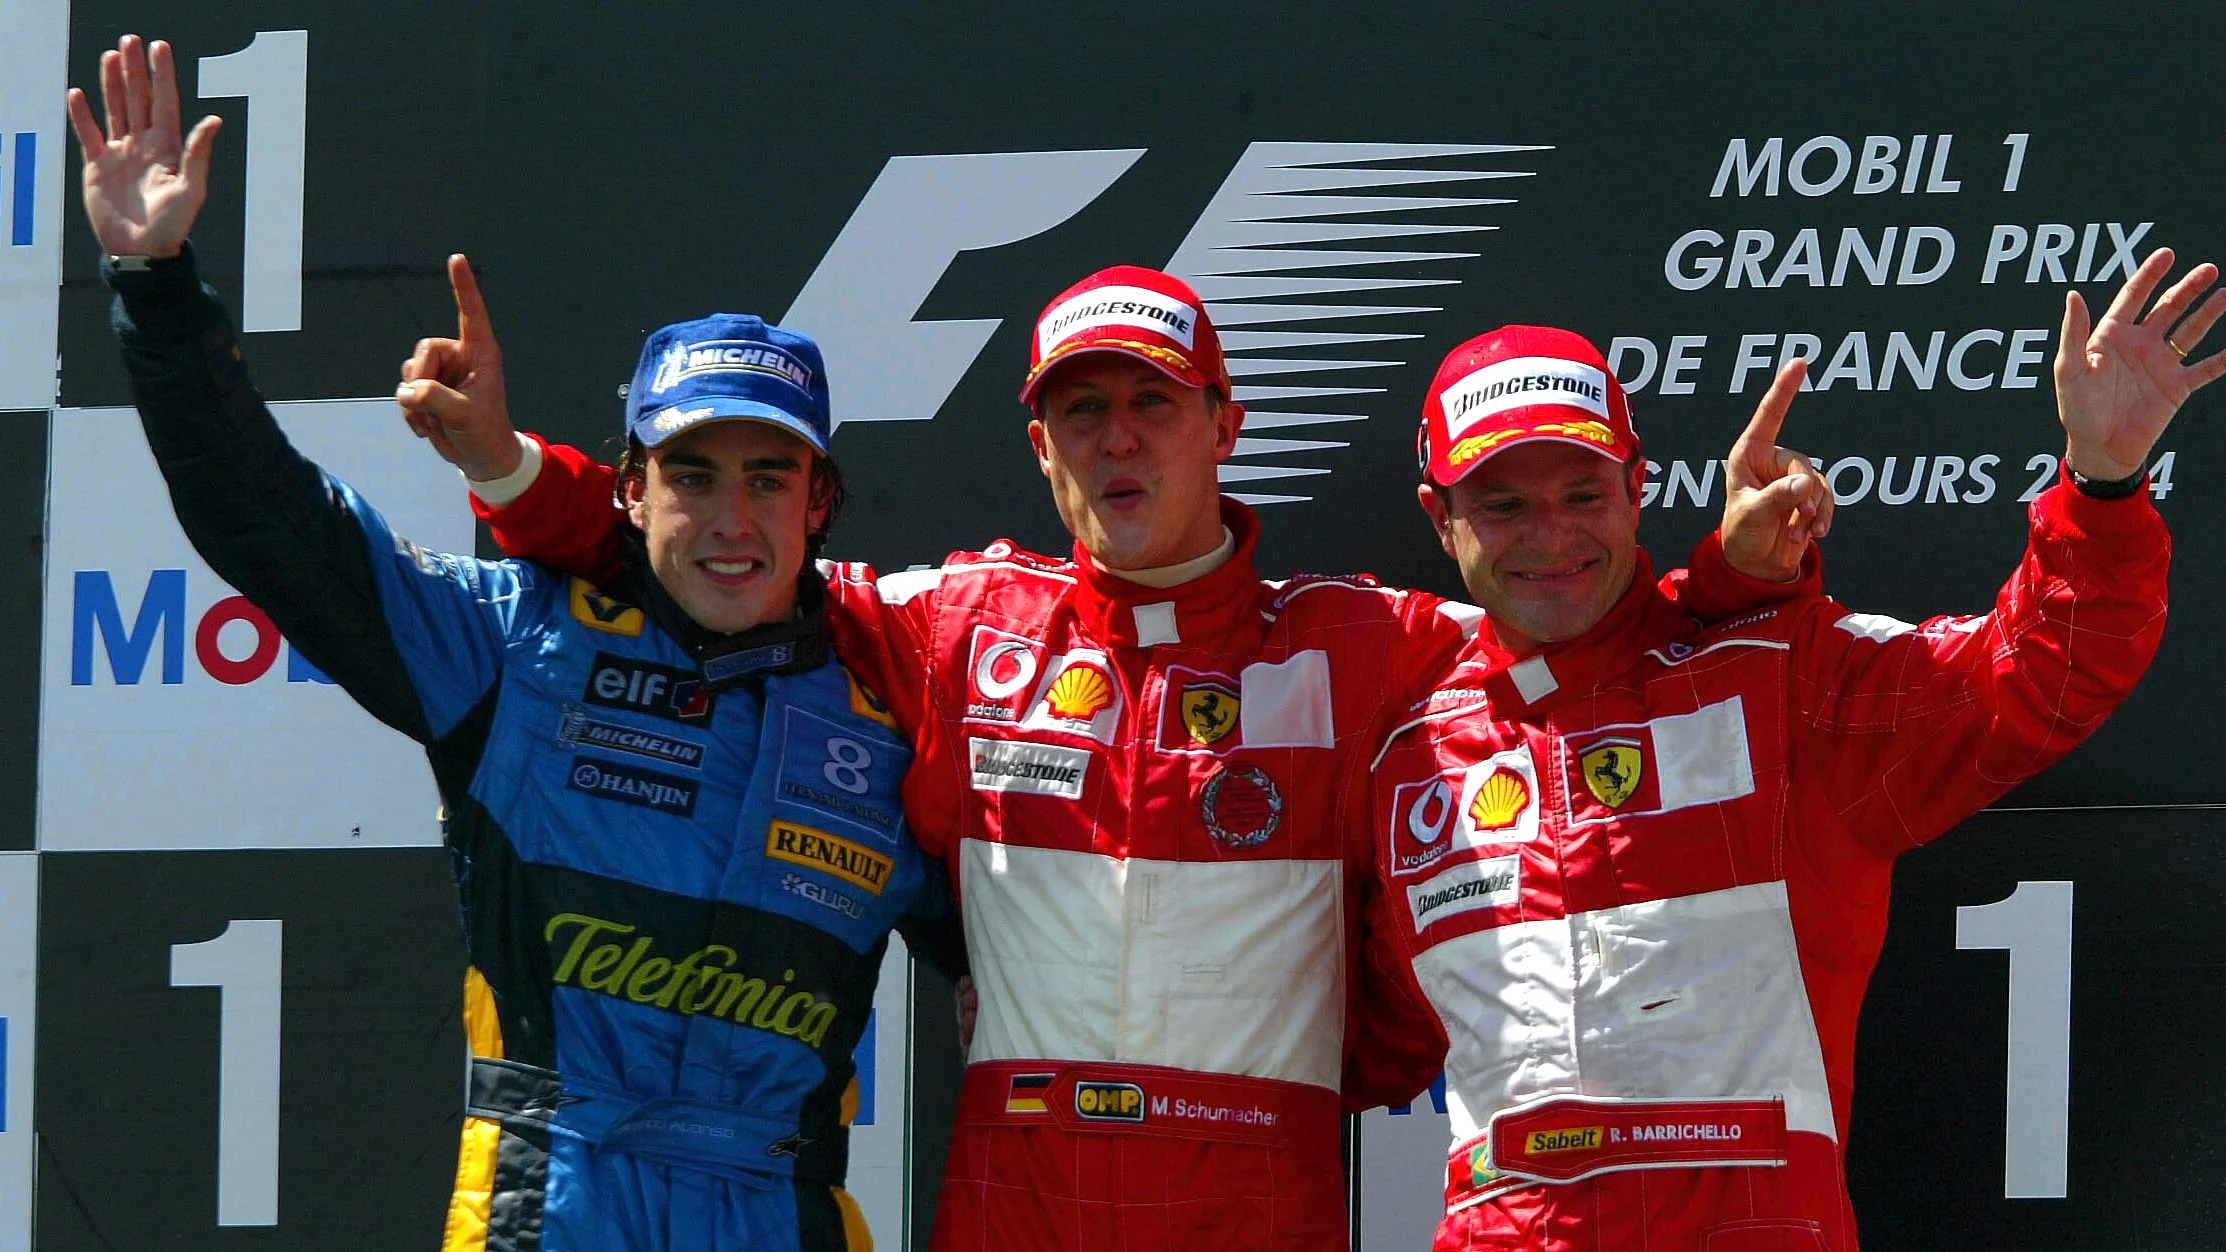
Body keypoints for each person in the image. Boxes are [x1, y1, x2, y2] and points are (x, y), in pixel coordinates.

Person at [404, 262, 1826, 1247]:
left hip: (1253, 1209)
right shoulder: (955, 621)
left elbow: (1581, 618)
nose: (1121, 437)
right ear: (1039, 445)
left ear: (1225, 423)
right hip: (1018, 1210)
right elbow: (726, 557)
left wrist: (1733, 578)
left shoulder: (1370, 642)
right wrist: (516, 477)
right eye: (1083, 407)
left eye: (1154, 401)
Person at [70, 34, 962, 1252]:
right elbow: (270, 524)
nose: (732, 520)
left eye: (769, 479)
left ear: (821, 504)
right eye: (693, 476)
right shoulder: (511, 640)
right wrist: (158, 285)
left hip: (782, 1206)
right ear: (634, 491)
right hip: (550, 1196)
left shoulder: (900, 704)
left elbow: (1046, 937)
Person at [1370, 271, 2217, 1251]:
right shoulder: (1409, 755)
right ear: (1440, 519)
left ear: (1638, 488)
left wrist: (2100, 482)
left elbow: (2040, 675)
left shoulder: (1780, 677)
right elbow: (1339, 1036)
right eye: (1505, 504)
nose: (1550, 534)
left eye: (1581, 493)